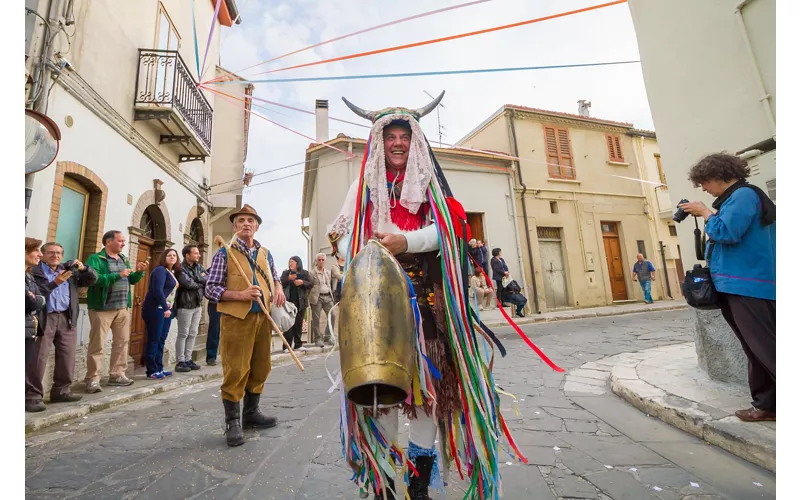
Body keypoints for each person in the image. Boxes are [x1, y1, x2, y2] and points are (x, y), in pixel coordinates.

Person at [326, 94, 544, 499]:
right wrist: (366, 252)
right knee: (381, 396)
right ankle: (386, 484)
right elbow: (340, 237)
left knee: (428, 398)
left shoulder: (430, 183)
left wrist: (404, 241)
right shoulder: (362, 186)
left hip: (427, 305)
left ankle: (418, 484)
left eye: (403, 137)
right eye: (389, 136)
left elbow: (450, 234)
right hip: (376, 307)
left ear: (415, 142)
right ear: (378, 141)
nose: (396, 143)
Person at [679, 152, 776, 422]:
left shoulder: (744, 195)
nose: (703, 188)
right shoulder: (735, 198)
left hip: (748, 284)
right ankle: (767, 405)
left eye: (705, 182)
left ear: (720, 176)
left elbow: (727, 233)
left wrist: (705, 213)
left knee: (766, 348)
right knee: (755, 348)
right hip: (741, 283)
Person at [205, 204, 287, 447]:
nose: (246, 224)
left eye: (251, 221)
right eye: (241, 221)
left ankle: (251, 413)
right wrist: (240, 295)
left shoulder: (266, 253)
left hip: (263, 318)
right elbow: (210, 289)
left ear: (257, 226)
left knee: (261, 367)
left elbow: (274, 276)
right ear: (234, 226)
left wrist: (279, 288)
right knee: (236, 370)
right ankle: (233, 422)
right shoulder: (224, 254)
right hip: (236, 320)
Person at [26, 242, 97, 412]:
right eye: (50, 253)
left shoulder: (69, 271)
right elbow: (36, 293)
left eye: (58, 253)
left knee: (67, 356)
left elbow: (92, 280)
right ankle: (32, 397)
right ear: (43, 255)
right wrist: (56, 283)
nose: (55, 256)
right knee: (38, 359)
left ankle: (61, 391)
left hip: (66, 316)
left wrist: (83, 268)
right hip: (45, 317)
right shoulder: (34, 271)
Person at [85, 230, 148, 393]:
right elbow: (94, 280)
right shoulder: (96, 259)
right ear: (108, 242)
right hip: (102, 308)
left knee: (121, 343)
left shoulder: (123, 259)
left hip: (122, 308)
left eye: (124, 241)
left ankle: (117, 374)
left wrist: (139, 272)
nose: (123, 244)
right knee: (97, 344)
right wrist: (117, 275)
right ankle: (93, 378)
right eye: (120, 241)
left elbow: (131, 280)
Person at [142, 248, 180, 380]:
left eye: (174, 255)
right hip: (156, 309)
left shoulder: (171, 272)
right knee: (154, 339)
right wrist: (165, 308)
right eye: (169, 255)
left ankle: (159, 368)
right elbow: (157, 290)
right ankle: (151, 370)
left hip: (166, 311)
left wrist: (170, 310)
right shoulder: (160, 270)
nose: (172, 257)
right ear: (164, 257)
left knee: (161, 339)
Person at [174, 245, 207, 372]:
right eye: (196, 253)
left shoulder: (199, 267)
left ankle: (188, 359)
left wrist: (197, 280)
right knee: (183, 333)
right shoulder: (180, 268)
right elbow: (187, 283)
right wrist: (200, 282)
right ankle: (180, 361)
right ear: (187, 255)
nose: (199, 255)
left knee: (193, 333)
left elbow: (207, 278)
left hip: (197, 305)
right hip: (185, 304)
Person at [280, 256, 312, 353]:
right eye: (289, 262)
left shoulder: (304, 273)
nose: (290, 264)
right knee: (288, 325)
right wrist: (289, 278)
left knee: (299, 324)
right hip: (289, 303)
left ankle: (298, 345)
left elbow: (311, 284)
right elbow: (281, 282)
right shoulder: (286, 273)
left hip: (301, 302)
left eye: (292, 262)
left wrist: (302, 282)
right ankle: (286, 346)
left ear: (298, 263)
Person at [308, 252, 341, 346]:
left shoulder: (328, 272)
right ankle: (318, 339)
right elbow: (309, 286)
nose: (321, 261)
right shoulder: (312, 273)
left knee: (333, 315)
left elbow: (329, 284)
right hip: (317, 298)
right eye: (319, 260)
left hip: (328, 296)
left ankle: (328, 336)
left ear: (325, 261)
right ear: (316, 261)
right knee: (316, 319)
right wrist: (310, 298)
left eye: (323, 260)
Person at [25, 238, 46, 377]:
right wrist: (35, 299)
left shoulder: (28, 276)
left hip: (29, 331)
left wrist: (35, 298)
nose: (41, 254)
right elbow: (30, 302)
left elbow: (41, 299)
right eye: (36, 250)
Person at [206, 302, 220, 366]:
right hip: (215, 304)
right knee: (214, 330)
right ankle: (211, 357)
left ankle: (231, 356)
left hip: (230, 304)